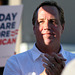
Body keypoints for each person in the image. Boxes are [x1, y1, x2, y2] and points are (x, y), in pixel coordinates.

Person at [3, 1, 75, 75]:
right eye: (41, 22)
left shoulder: (73, 62)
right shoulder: (15, 62)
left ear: (62, 27)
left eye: (52, 21)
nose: (47, 27)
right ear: (34, 28)